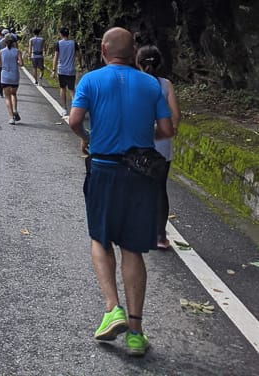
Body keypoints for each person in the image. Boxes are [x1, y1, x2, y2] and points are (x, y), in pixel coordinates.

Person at [68, 27, 173, 358]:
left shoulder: (91, 81)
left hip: (104, 168)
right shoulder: (151, 84)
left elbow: (74, 121)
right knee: (132, 249)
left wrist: (87, 137)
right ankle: (136, 333)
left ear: (103, 49)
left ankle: (112, 308)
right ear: (134, 52)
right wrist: (141, 135)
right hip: (141, 172)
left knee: (100, 239)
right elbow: (168, 130)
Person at [136, 44, 181, 250]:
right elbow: (175, 116)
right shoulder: (166, 84)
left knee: (137, 186)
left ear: (138, 62)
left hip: (138, 143)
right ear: (160, 62)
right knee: (160, 189)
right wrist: (170, 131)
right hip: (162, 145)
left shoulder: (133, 82)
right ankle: (160, 236)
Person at [53, 27, 80, 114]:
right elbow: (78, 56)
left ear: (60, 34)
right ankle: (75, 109)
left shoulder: (59, 44)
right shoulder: (74, 43)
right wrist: (81, 65)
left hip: (61, 70)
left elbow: (56, 57)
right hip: (71, 70)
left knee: (63, 88)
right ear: (68, 34)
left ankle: (64, 108)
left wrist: (53, 70)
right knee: (72, 90)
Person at [0, 33, 23, 122]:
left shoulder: (1, 51)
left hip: (5, 76)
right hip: (14, 75)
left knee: (7, 97)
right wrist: (15, 62)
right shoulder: (17, 51)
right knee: (14, 94)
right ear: (13, 43)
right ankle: (15, 110)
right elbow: (21, 63)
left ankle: (11, 117)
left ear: (5, 42)